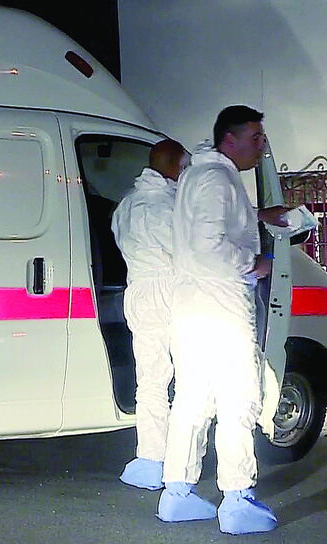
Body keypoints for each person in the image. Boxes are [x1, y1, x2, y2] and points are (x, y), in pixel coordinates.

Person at [158, 105, 289, 535]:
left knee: (192, 400)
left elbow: (208, 229)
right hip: (222, 305)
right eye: (255, 138)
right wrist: (255, 263)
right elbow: (209, 244)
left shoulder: (199, 175)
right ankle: (236, 498)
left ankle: (176, 492)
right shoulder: (217, 178)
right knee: (239, 399)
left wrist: (257, 218)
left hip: (191, 307)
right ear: (228, 140)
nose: (261, 146)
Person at [112, 139, 191, 490]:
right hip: (173, 290)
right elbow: (193, 252)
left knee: (151, 379)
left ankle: (150, 457)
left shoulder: (126, 205)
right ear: (175, 166)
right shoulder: (172, 207)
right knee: (190, 379)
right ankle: (182, 460)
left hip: (139, 290)